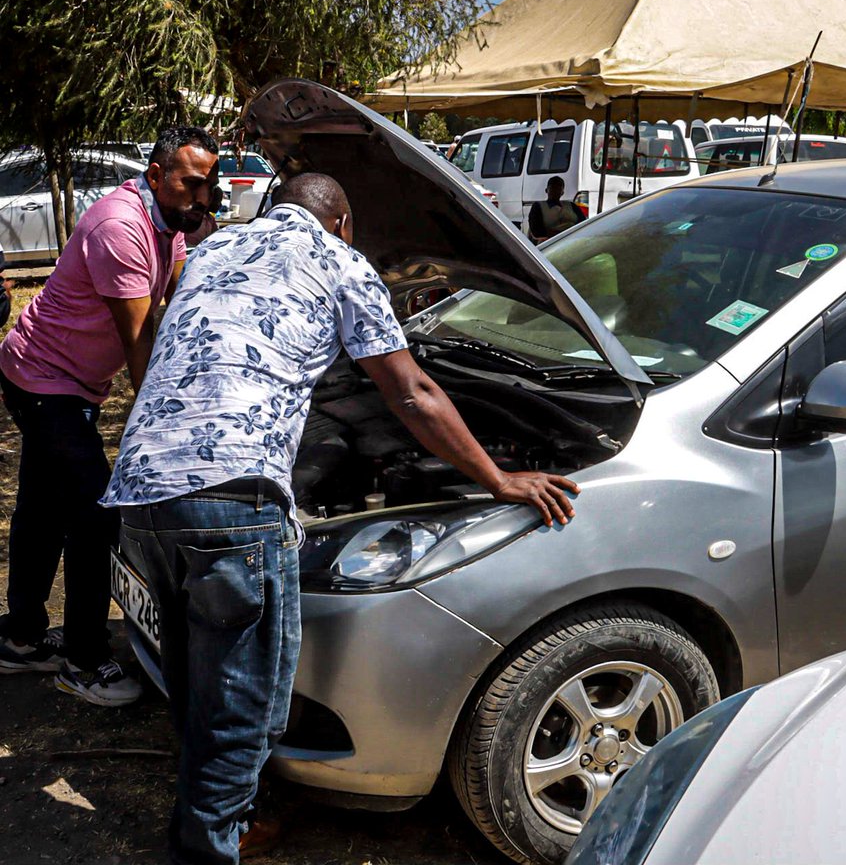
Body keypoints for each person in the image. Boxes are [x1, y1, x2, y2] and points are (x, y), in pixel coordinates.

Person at [102, 173, 579, 865]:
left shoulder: (210, 251)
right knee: (244, 718)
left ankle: (226, 818)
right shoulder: (340, 262)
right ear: (344, 223)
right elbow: (411, 392)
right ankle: (205, 848)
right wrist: (496, 477)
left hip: (142, 492)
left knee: (198, 686)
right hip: (232, 503)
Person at [0, 127, 218, 706]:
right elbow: (140, 339)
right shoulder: (120, 226)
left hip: (68, 385)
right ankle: (84, 659)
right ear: (155, 175)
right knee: (96, 517)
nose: (203, 196)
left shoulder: (169, 225)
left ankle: (21, 639)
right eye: (192, 184)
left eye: (209, 184)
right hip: (44, 381)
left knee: (44, 509)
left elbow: (180, 298)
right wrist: (159, 430)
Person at [528, 175, 584, 243]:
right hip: (550, 244)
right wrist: (563, 234)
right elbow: (537, 231)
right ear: (546, 190)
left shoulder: (571, 206)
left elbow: (583, 224)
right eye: (552, 188)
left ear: (562, 192)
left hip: (573, 241)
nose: (555, 191)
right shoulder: (538, 206)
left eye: (558, 189)